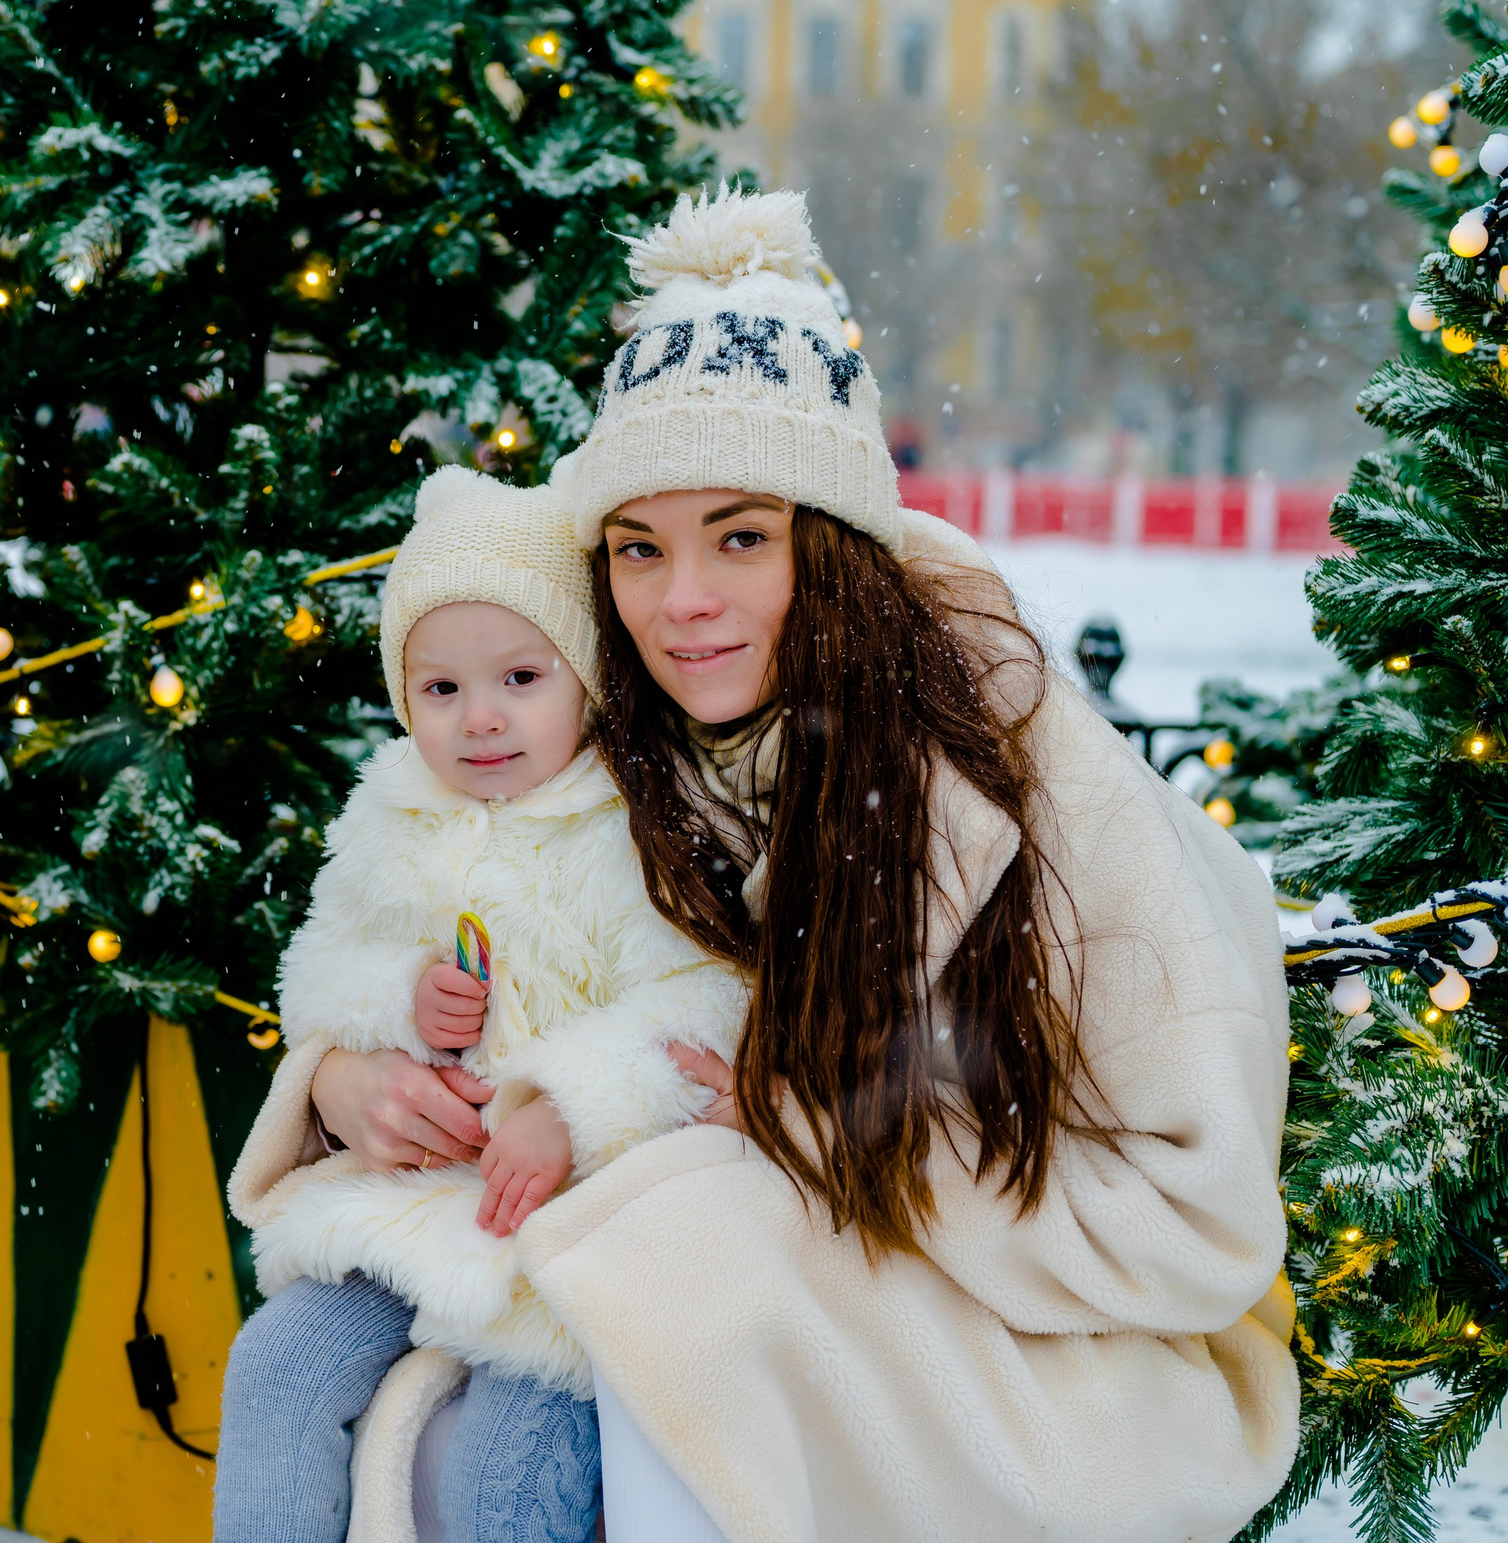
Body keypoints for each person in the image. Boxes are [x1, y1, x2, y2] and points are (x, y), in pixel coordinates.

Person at [302, 188, 1299, 1541]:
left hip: (1058, 1346)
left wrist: (821, 1137)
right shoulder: (631, 753)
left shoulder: (1028, 786)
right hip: (753, 1281)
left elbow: (1196, 1222)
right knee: (467, 1380)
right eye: (639, 548)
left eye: (740, 535)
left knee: (681, 1264)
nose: (681, 599)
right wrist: (350, 1078)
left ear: (828, 549)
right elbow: (482, 953)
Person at [214, 466, 746, 1543]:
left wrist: (572, 1104)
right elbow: (316, 970)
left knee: (503, 1474)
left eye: (518, 676)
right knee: (276, 1365)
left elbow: (708, 996)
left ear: (586, 675)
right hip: (408, 1203)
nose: (479, 720)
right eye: (440, 689)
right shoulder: (391, 807)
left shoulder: (632, 823)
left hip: (565, 1237)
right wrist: (393, 999)